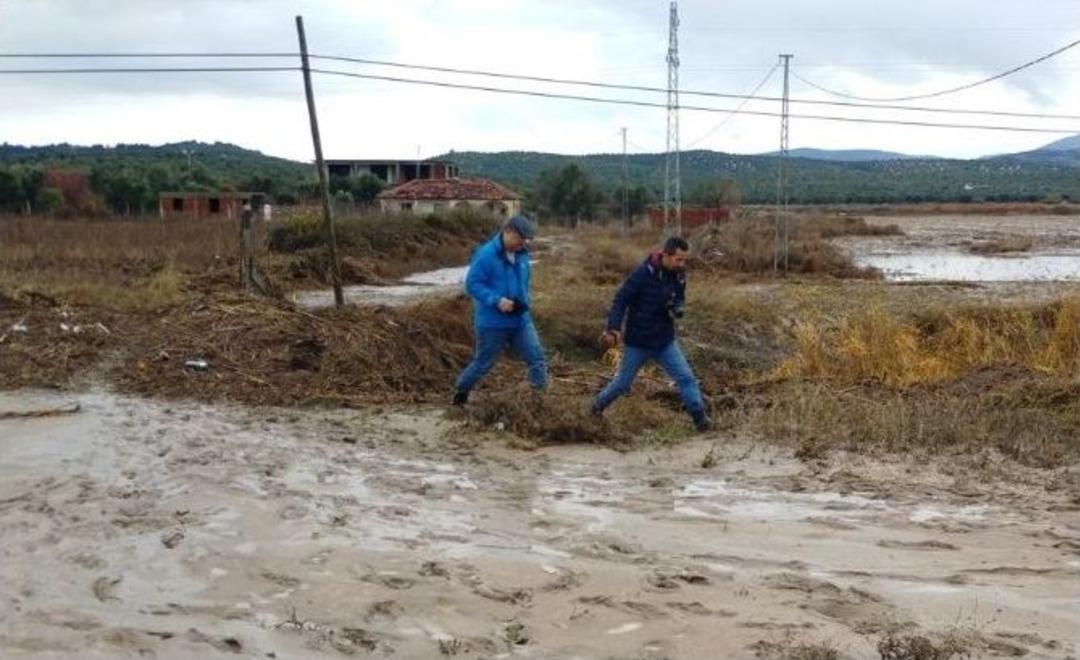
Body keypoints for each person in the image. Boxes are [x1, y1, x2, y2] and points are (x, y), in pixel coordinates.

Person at [591, 236, 712, 432]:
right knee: (622, 384)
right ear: (666, 255)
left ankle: (701, 420)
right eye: (678, 259)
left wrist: (677, 307)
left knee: (686, 379)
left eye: (684, 260)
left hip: (665, 342)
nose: (682, 264)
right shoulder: (642, 274)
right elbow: (621, 299)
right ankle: (594, 409)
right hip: (638, 342)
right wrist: (613, 327)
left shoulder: (679, 275)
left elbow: (680, 296)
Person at [452, 214, 548, 405]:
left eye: (526, 239)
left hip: (521, 320)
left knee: (537, 359)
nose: (524, 242)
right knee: (483, 363)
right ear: (508, 232)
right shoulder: (486, 255)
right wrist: (496, 300)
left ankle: (539, 402)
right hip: (492, 323)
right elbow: (473, 284)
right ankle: (460, 392)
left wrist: (524, 301)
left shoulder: (522, 255)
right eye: (521, 238)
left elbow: (524, 282)